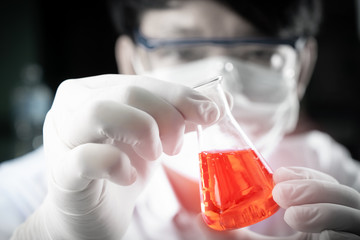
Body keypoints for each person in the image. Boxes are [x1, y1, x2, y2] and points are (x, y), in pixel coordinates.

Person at [1, 0, 360, 239]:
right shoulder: (23, 195)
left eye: (258, 52)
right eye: (185, 49)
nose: (224, 82)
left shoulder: (335, 176)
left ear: (302, 68)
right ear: (131, 62)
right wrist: (47, 233)